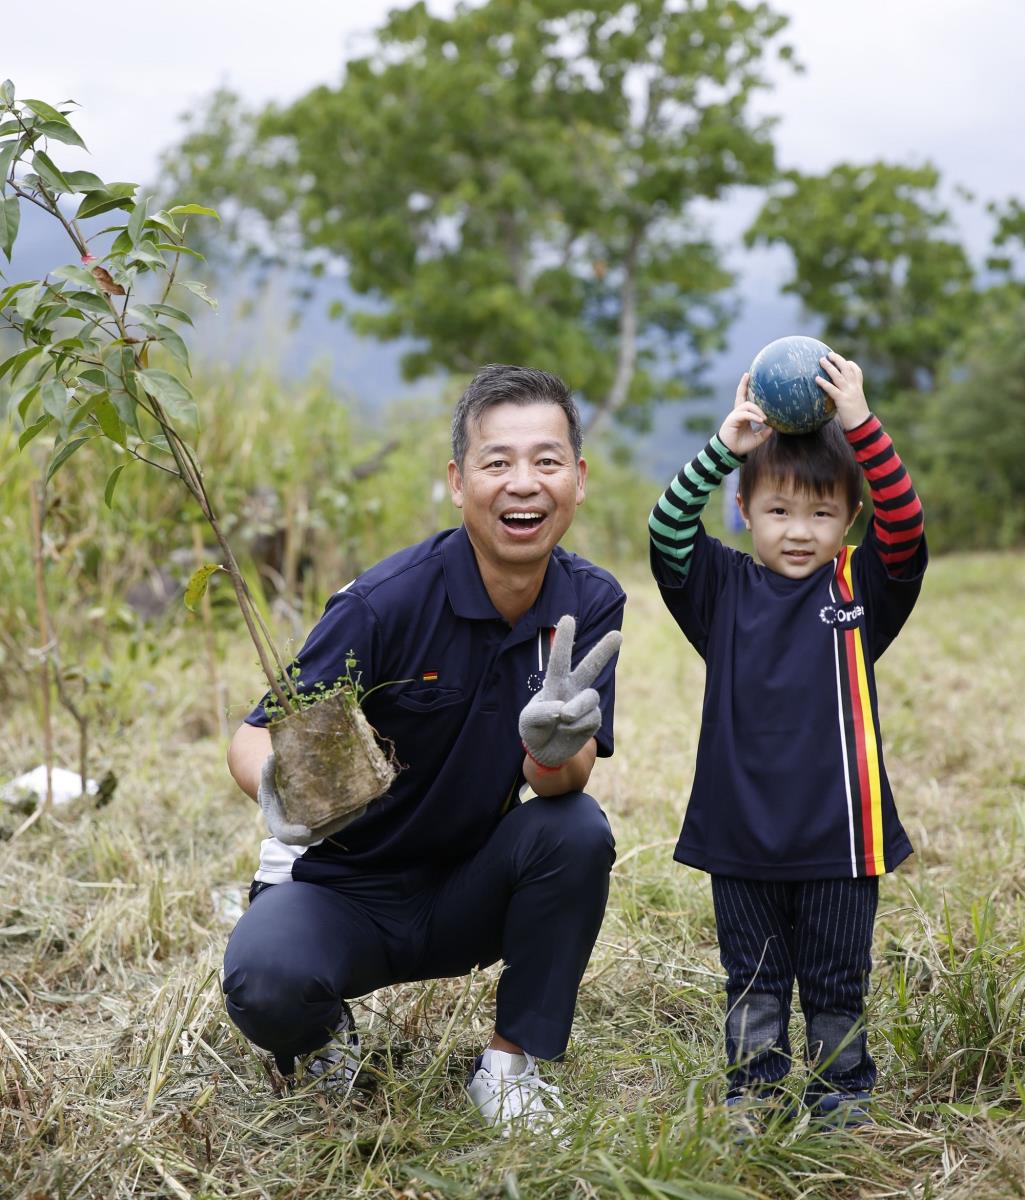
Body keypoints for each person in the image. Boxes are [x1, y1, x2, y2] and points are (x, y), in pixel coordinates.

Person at [222, 363, 625, 1133]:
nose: (523, 484)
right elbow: (252, 733)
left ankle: (507, 1069)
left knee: (576, 830)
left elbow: (562, 782)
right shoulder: (384, 603)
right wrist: (277, 783)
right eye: (496, 461)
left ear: (577, 478)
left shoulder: (588, 601)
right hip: (341, 888)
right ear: (456, 480)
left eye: (545, 461)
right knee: (265, 981)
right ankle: (322, 1034)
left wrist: (550, 749)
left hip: (466, 885)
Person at [648, 352, 926, 1129]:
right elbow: (666, 532)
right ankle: (754, 1092)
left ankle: (841, 1095)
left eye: (819, 514)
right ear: (743, 509)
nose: (797, 531)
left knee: (837, 979)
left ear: (847, 522)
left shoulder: (857, 590)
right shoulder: (723, 590)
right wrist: (721, 447)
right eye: (776, 511)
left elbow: (905, 529)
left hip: (841, 833)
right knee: (754, 977)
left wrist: (859, 425)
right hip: (740, 832)